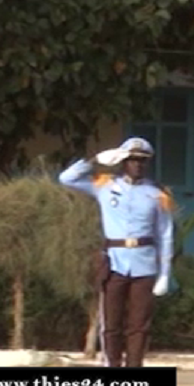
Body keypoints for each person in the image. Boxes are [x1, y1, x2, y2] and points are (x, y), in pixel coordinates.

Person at [58, 137, 175, 368]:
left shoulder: (157, 194)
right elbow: (66, 179)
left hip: (145, 263)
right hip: (114, 262)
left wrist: (165, 274)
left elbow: (165, 235)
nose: (137, 165)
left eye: (142, 161)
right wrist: (94, 161)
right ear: (123, 162)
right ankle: (111, 366)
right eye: (132, 160)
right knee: (111, 322)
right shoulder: (104, 184)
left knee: (139, 324)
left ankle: (134, 368)